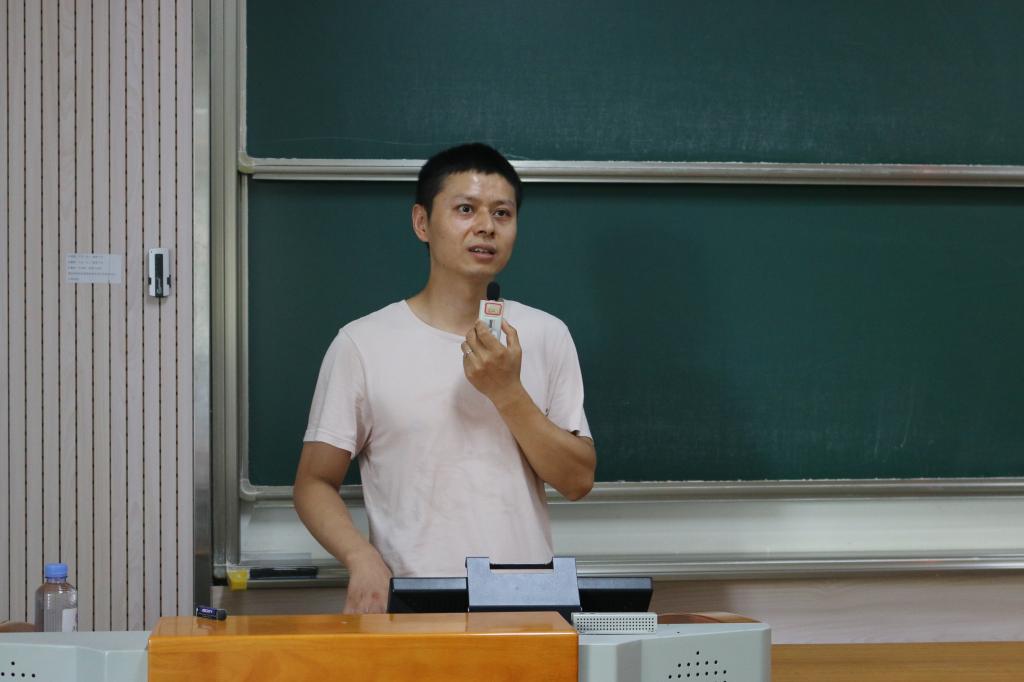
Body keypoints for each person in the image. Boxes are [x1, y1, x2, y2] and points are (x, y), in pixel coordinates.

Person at [293, 143, 596, 614]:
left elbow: (577, 479)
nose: (486, 226)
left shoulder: (546, 334)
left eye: (502, 213)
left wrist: (507, 391)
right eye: (465, 209)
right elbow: (313, 482)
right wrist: (361, 558)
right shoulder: (362, 344)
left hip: (528, 605)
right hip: (415, 603)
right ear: (422, 223)